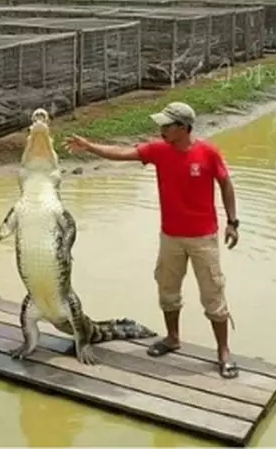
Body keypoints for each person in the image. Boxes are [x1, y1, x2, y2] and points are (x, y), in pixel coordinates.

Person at [66, 101, 242, 378]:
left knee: (213, 295)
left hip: (203, 239)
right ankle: (173, 338)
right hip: (170, 237)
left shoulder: (208, 153)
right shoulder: (158, 151)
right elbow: (122, 153)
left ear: (183, 128)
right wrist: (89, 146)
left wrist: (233, 222)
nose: (161, 129)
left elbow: (226, 184)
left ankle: (223, 351)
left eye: (167, 125)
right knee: (167, 290)